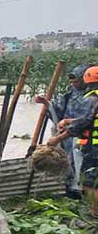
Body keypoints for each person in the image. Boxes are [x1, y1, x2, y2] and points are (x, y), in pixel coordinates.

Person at [34, 63, 93, 199]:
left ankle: (86, 194)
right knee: (70, 161)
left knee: (84, 165)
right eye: (72, 81)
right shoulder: (71, 94)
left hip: (86, 137)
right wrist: (46, 103)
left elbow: (84, 120)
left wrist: (65, 129)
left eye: (76, 81)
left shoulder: (91, 97)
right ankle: (73, 190)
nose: (73, 84)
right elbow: (57, 109)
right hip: (69, 136)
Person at [48, 65, 98, 216]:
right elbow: (89, 118)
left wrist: (57, 139)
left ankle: (95, 213)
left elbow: (81, 124)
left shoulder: (91, 99)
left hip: (95, 149)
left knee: (89, 182)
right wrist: (69, 120)